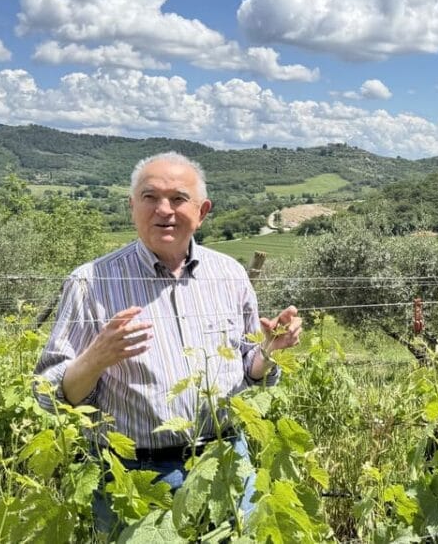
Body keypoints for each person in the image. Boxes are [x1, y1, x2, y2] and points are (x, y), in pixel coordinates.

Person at [33, 151, 302, 533]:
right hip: (132, 479)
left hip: (224, 465)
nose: (164, 210)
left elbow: (247, 370)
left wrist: (267, 352)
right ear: (132, 206)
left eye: (178, 198)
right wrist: (95, 359)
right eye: (150, 197)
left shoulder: (229, 274)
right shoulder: (91, 281)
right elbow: (49, 395)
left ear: (202, 210)